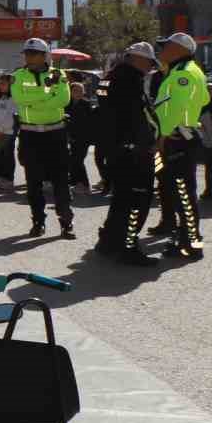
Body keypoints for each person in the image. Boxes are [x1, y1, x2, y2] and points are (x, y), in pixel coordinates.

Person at [94, 43, 160, 267]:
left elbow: (106, 113)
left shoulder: (108, 78)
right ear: (137, 60)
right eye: (149, 63)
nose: (150, 68)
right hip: (132, 151)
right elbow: (136, 117)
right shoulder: (130, 81)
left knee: (121, 199)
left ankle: (109, 242)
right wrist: (147, 144)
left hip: (114, 149)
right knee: (137, 200)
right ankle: (128, 248)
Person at [150, 32, 206, 258]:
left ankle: (191, 243)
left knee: (183, 193)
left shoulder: (184, 74)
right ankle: (185, 237)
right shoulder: (181, 71)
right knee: (178, 191)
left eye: (166, 46)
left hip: (176, 138)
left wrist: (163, 135)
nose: (161, 50)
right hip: (179, 137)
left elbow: (177, 108)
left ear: (180, 50)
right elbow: (203, 100)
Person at [12, 38, 74, 239]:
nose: (28, 57)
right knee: (33, 182)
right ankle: (38, 222)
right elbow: (19, 99)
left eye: (33, 53)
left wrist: (34, 102)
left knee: (60, 181)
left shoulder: (58, 74)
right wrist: (47, 98)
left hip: (55, 134)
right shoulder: (18, 76)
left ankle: (66, 223)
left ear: (44, 55)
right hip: (30, 135)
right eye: (27, 53)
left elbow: (64, 99)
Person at [66, 81, 95, 193]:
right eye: (75, 91)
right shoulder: (66, 104)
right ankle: (75, 183)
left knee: (77, 160)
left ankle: (85, 185)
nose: (78, 93)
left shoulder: (86, 104)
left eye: (80, 91)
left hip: (83, 137)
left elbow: (89, 122)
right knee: (72, 160)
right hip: (71, 136)